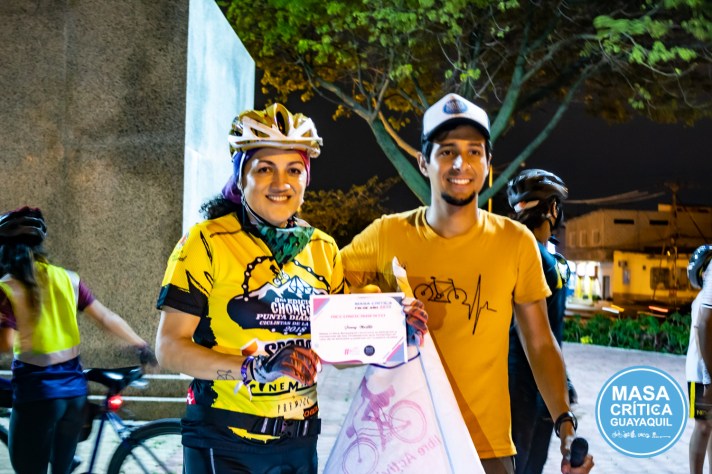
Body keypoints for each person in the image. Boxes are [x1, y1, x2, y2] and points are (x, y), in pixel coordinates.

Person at [154, 103, 427, 473]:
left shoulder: (322, 248)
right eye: (264, 168)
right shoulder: (206, 242)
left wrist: (395, 330)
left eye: (294, 170)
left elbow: (338, 351)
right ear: (240, 177)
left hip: (299, 444)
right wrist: (253, 369)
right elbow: (169, 348)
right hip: (224, 441)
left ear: (306, 180)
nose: (280, 183)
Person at [340, 93, 594, 474]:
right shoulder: (385, 235)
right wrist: (381, 309)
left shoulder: (515, 242)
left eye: (474, 152)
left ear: (488, 163)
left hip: (487, 451)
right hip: (402, 449)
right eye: (447, 151)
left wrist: (565, 425)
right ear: (423, 162)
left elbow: (540, 342)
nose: (461, 163)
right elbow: (328, 304)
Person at [0, 206, 156, 474]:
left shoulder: (8, 286)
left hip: (37, 395)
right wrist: (141, 345)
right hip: (74, 395)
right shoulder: (67, 279)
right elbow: (106, 317)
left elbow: (5, 343)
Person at [506, 169, 575, 473]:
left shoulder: (511, 253)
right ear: (552, 209)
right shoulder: (543, 261)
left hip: (512, 385)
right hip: (533, 390)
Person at [686, 244, 712, 474]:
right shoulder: (703, 299)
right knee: (703, 426)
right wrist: (709, 378)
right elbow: (700, 333)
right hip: (699, 373)